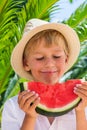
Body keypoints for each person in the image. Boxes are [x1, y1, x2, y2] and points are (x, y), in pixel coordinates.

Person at [1, 18, 87, 130]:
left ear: (66, 59)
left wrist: (80, 111)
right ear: (26, 63)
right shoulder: (13, 106)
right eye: (39, 58)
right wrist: (30, 117)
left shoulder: (83, 99)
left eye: (56, 56)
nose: (49, 64)